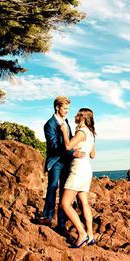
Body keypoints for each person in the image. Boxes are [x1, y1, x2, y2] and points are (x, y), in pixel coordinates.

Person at [37, 96, 84, 232]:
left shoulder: (66, 121)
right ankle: (47, 216)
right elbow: (54, 146)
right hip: (56, 161)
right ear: (57, 108)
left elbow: (68, 141)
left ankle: (62, 223)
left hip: (67, 162)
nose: (67, 111)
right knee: (52, 187)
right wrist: (72, 153)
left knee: (65, 190)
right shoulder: (49, 124)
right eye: (65, 108)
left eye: (68, 109)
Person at [60, 107, 97, 248]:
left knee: (65, 203)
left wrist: (64, 132)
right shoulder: (91, 133)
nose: (75, 116)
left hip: (78, 170)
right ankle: (91, 236)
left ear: (82, 117)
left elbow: (68, 146)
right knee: (84, 203)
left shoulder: (81, 132)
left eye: (77, 114)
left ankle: (82, 234)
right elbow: (92, 155)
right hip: (87, 170)